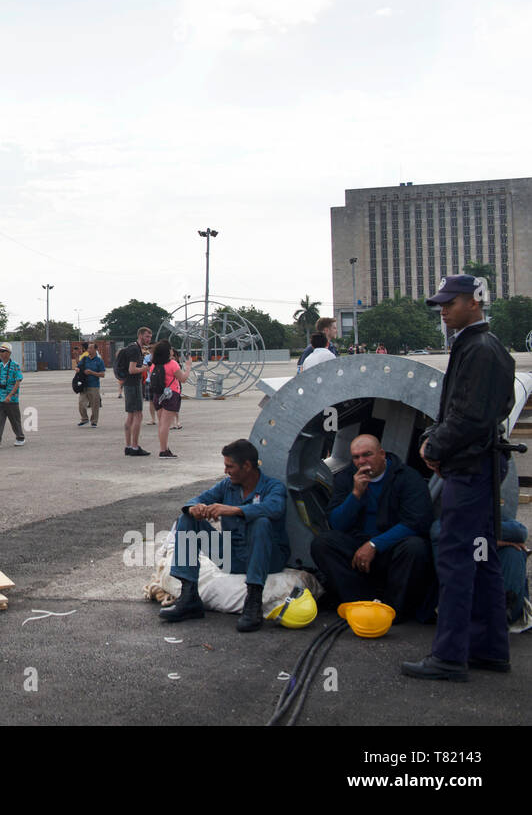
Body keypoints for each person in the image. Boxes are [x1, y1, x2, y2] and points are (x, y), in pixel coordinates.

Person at [402, 274, 514, 681]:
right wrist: (437, 436)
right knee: (482, 558)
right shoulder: (480, 345)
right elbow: (470, 409)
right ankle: (489, 650)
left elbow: (470, 416)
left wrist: (434, 447)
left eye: (451, 302)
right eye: (442, 303)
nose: (443, 309)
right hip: (475, 465)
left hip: (470, 471)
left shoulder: (479, 348)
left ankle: (449, 656)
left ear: (474, 302)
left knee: (455, 560)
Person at [160, 439, 289, 631]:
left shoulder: (273, 487)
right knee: (186, 518)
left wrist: (234, 510)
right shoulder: (227, 486)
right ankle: (189, 597)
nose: (226, 471)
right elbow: (197, 499)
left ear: (246, 466)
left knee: (261, 522)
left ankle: (253, 601)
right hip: (233, 556)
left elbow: (275, 508)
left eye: (230, 466)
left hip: (267, 559)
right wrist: (195, 508)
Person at [311, 435, 433, 620]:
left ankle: (393, 611)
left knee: (416, 547)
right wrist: (356, 495)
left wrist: (375, 545)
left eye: (367, 455)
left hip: (393, 545)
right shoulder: (346, 478)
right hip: (358, 543)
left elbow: (417, 521)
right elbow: (336, 523)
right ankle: (362, 603)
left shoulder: (407, 477)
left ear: (381, 454)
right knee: (322, 544)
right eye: (356, 457)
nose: (362, 462)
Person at [114, 327, 152, 456]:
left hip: (128, 384)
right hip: (133, 384)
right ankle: (135, 447)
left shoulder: (131, 347)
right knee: (138, 415)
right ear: (140, 336)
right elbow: (132, 369)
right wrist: (145, 368)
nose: (149, 339)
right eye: (147, 337)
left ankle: (128, 446)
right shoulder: (135, 349)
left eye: (150, 337)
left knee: (130, 415)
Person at [149, 340, 189, 458]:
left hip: (158, 396)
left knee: (162, 424)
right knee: (165, 425)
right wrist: (188, 367)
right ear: (167, 352)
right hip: (171, 395)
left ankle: (165, 448)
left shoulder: (153, 365)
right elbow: (183, 379)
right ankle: (163, 450)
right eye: (170, 349)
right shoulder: (172, 364)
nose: (172, 350)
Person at [0, 343, 25, 449]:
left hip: (11, 398)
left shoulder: (15, 365)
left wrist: (10, 395)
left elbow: (18, 381)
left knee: (14, 420)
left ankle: (20, 438)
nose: (1, 353)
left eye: (3, 351)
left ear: (9, 353)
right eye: (0, 351)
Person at [76, 342, 105, 427]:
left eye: (91, 348)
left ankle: (94, 421)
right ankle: (84, 419)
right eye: (88, 348)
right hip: (84, 384)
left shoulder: (99, 361)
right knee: (81, 403)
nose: (89, 350)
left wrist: (92, 372)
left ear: (96, 349)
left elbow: (102, 374)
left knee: (94, 405)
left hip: (94, 386)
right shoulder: (84, 359)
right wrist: (77, 369)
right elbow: (78, 366)